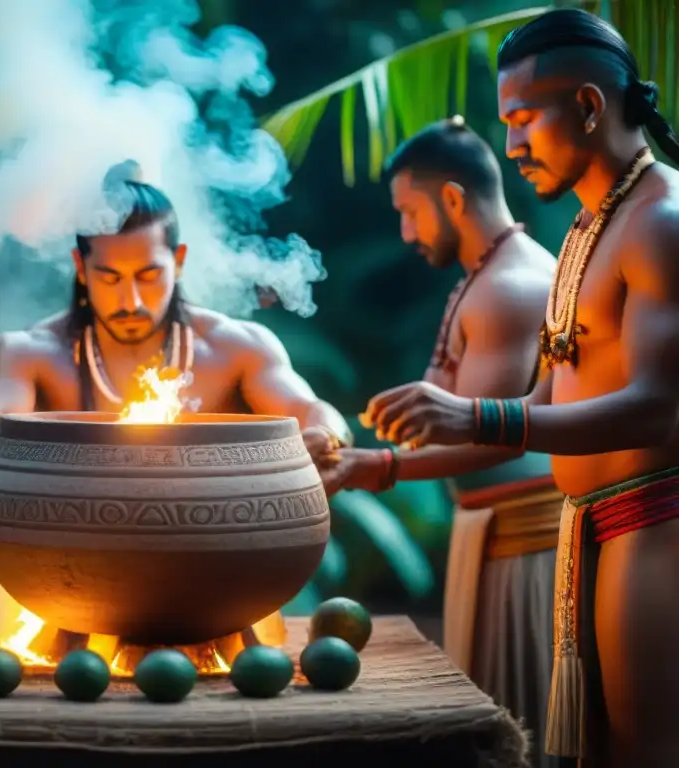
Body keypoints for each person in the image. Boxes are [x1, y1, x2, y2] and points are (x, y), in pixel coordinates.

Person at [351, 9, 679, 767]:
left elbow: (658, 409)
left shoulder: (660, 219)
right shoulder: (584, 231)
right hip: (591, 530)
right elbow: (547, 406)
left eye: (525, 118)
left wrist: (469, 413)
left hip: (654, 526)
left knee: (646, 750)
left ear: (591, 108)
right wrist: (395, 452)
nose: (511, 145)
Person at [323, 117, 560, 767]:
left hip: (526, 541)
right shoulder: (483, 277)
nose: (405, 233)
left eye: (409, 211)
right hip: (491, 532)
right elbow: (448, 412)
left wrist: (374, 466)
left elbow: (494, 438)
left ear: (452, 198)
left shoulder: (510, 287)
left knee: (520, 725)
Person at [0, 163, 351, 462]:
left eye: (148, 276)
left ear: (178, 261)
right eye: (110, 277)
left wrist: (324, 434)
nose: (130, 300)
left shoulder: (237, 348)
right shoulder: (30, 353)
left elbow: (313, 412)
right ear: (81, 269)